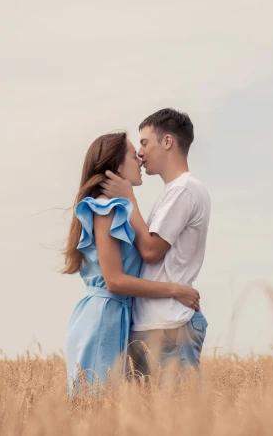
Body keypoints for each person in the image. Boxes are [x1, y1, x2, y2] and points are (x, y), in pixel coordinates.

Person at [63, 131, 201, 397]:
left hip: (115, 316)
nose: (139, 156)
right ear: (115, 166)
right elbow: (114, 281)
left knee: (107, 409)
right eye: (131, 153)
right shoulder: (106, 209)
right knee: (95, 407)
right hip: (103, 319)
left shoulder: (118, 209)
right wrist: (175, 289)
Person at [101, 109, 211, 379]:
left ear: (167, 142)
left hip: (170, 326)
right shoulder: (172, 193)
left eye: (145, 142)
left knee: (177, 418)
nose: (140, 152)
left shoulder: (184, 190)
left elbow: (150, 251)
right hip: (156, 324)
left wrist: (129, 199)